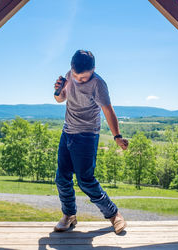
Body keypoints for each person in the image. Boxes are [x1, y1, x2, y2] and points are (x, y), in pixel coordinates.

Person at [53, 50, 129, 234]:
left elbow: (108, 111)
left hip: (87, 135)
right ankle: (69, 216)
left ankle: (114, 215)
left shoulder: (98, 84)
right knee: (62, 178)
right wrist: (58, 90)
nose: (79, 80)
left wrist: (117, 137)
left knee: (85, 181)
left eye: (84, 77)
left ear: (93, 70)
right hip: (67, 132)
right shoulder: (70, 74)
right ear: (72, 69)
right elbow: (60, 99)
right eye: (77, 76)